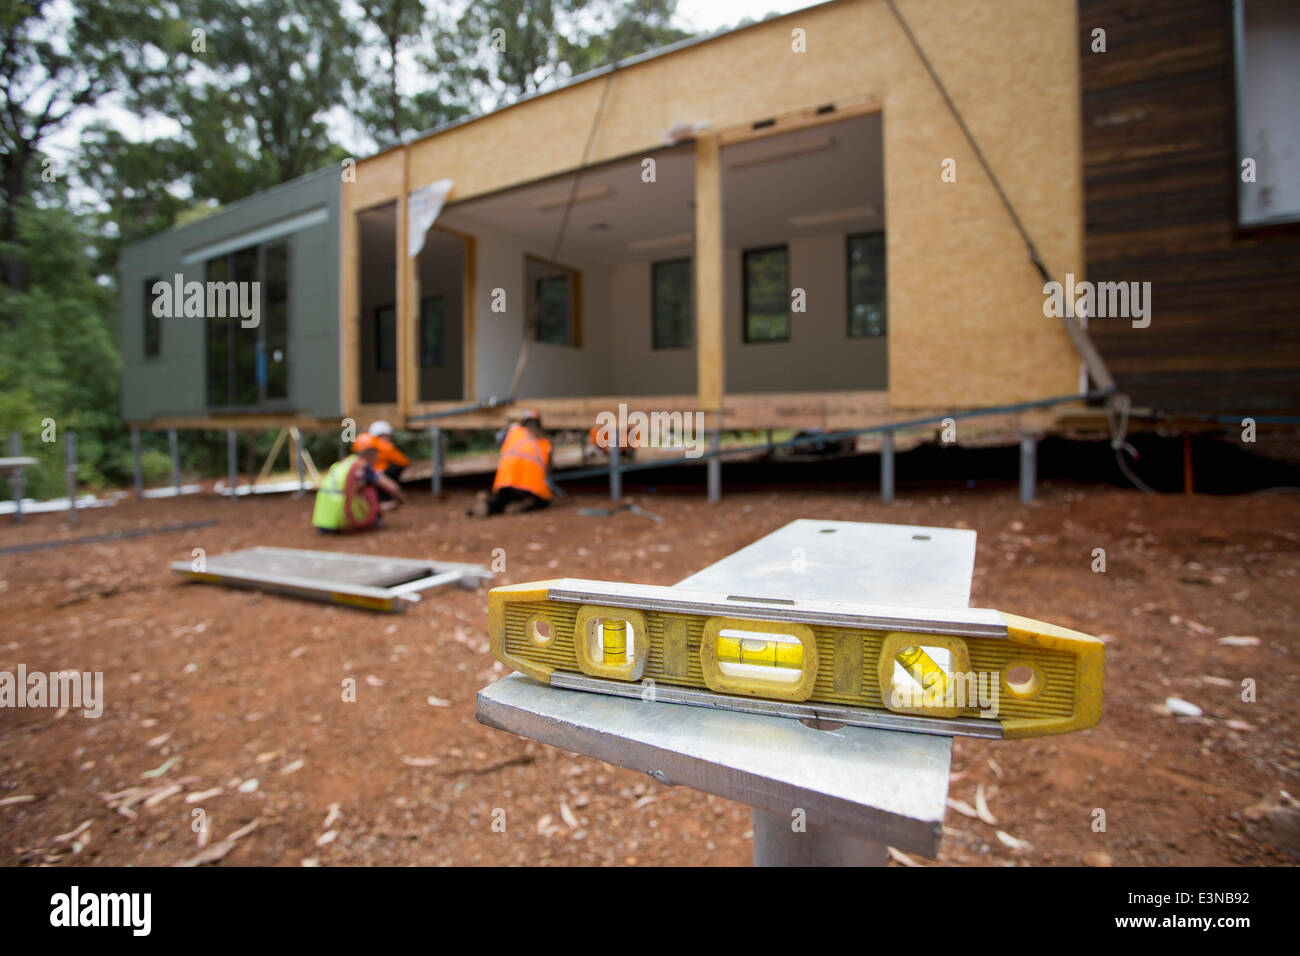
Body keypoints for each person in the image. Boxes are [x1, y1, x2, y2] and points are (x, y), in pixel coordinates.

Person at [312, 435, 407, 533]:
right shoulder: (363, 466)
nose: (378, 456)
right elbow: (392, 488)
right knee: (369, 489)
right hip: (340, 521)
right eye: (377, 452)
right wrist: (401, 500)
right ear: (370, 453)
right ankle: (368, 518)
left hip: (322, 521)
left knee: (361, 485)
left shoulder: (344, 463)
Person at [470, 411, 553, 517]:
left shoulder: (513, 432)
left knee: (500, 501)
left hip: (507, 480)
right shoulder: (545, 442)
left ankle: (488, 504)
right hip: (532, 486)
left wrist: (512, 426)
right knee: (544, 501)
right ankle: (526, 504)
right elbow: (548, 471)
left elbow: (499, 438)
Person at [358, 420, 408, 500]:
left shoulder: (363, 441)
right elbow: (404, 461)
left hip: (363, 472)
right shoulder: (385, 446)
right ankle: (385, 496)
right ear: (383, 435)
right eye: (388, 435)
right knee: (395, 468)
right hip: (375, 473)